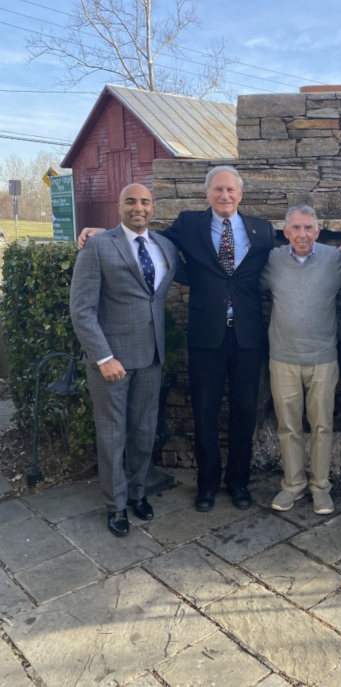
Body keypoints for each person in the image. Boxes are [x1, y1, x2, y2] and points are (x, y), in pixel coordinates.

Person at [79, 165, 276, 513]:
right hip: (205, 336)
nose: (225, 196)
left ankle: (238, 482)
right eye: (218, 190)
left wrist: (332, 245)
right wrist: (100, 231)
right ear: (207, 194)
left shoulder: (261, 230)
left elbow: (293, 243)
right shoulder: (188, 224)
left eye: (231, 190)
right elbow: (142, 237)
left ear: (240, 195)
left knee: (245, 411)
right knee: (204, 411)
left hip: (248, 336)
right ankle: (207, 485)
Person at [70, 184, 182, 536]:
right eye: (131, 201)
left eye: (145, 202)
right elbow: (82, 309)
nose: (139, 207)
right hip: (111, 362)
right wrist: (103, 357)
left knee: (143, 430)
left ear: (153, 207)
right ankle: (115, 505)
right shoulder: (98, 246)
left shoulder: (166, 247)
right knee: (112, 434)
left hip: (150, 356)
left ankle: (137, 492)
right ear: (119, 206)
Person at [260, 206, 341, 515]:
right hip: (282, 357)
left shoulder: (335, 260)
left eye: (308, 228)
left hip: (323, 357)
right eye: (295, 228)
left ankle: (321, 487)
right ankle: (292, 485)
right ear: (285, 232)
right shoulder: (272, 260)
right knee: (288, 426)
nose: (302, 234)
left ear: (318, 230)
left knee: (322, 425)